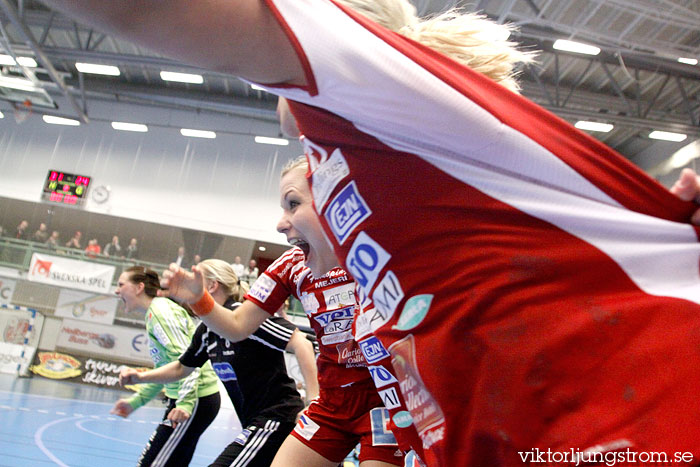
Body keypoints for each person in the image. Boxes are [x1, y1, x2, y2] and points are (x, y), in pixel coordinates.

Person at [34, 1, 700, 464]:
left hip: (610, 411)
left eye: (294, 200)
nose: (285, 214)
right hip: (490, 424)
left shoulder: (383, 93)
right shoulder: (355, 180)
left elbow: (143, 10)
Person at [120, 259, 319, 467]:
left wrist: (312, 403)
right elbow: (181, 367)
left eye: (195, 280)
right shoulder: (207, 331)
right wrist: (141, 377)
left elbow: (302, 344)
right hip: (252, 422)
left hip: (277, 419)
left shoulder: (244, 317)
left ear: (212, 286)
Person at [111, 266, 220, 467]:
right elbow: (167, 370)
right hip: (190, 400)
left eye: (121, 285)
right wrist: (135, 402)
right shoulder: (155, 314)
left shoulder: (161, 313)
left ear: (139, 288)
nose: (117, 291)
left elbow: (188, 363)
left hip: (195, 399)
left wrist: (185, 404)